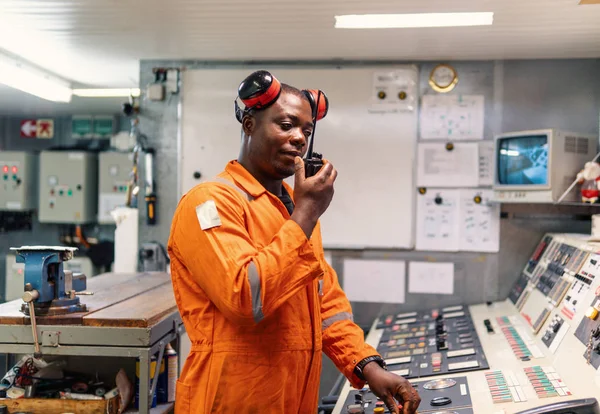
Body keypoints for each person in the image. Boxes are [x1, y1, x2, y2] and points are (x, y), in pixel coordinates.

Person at [167, 70, 421, 414]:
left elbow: (326, 306)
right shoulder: (210, 203)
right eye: (286, 125)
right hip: (231, 399)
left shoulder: (293, 206)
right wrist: (305, 214)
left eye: (306, 130)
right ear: (249, 125)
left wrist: (367, 367)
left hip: (295, 397)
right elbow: (245, 297)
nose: (299, 138)